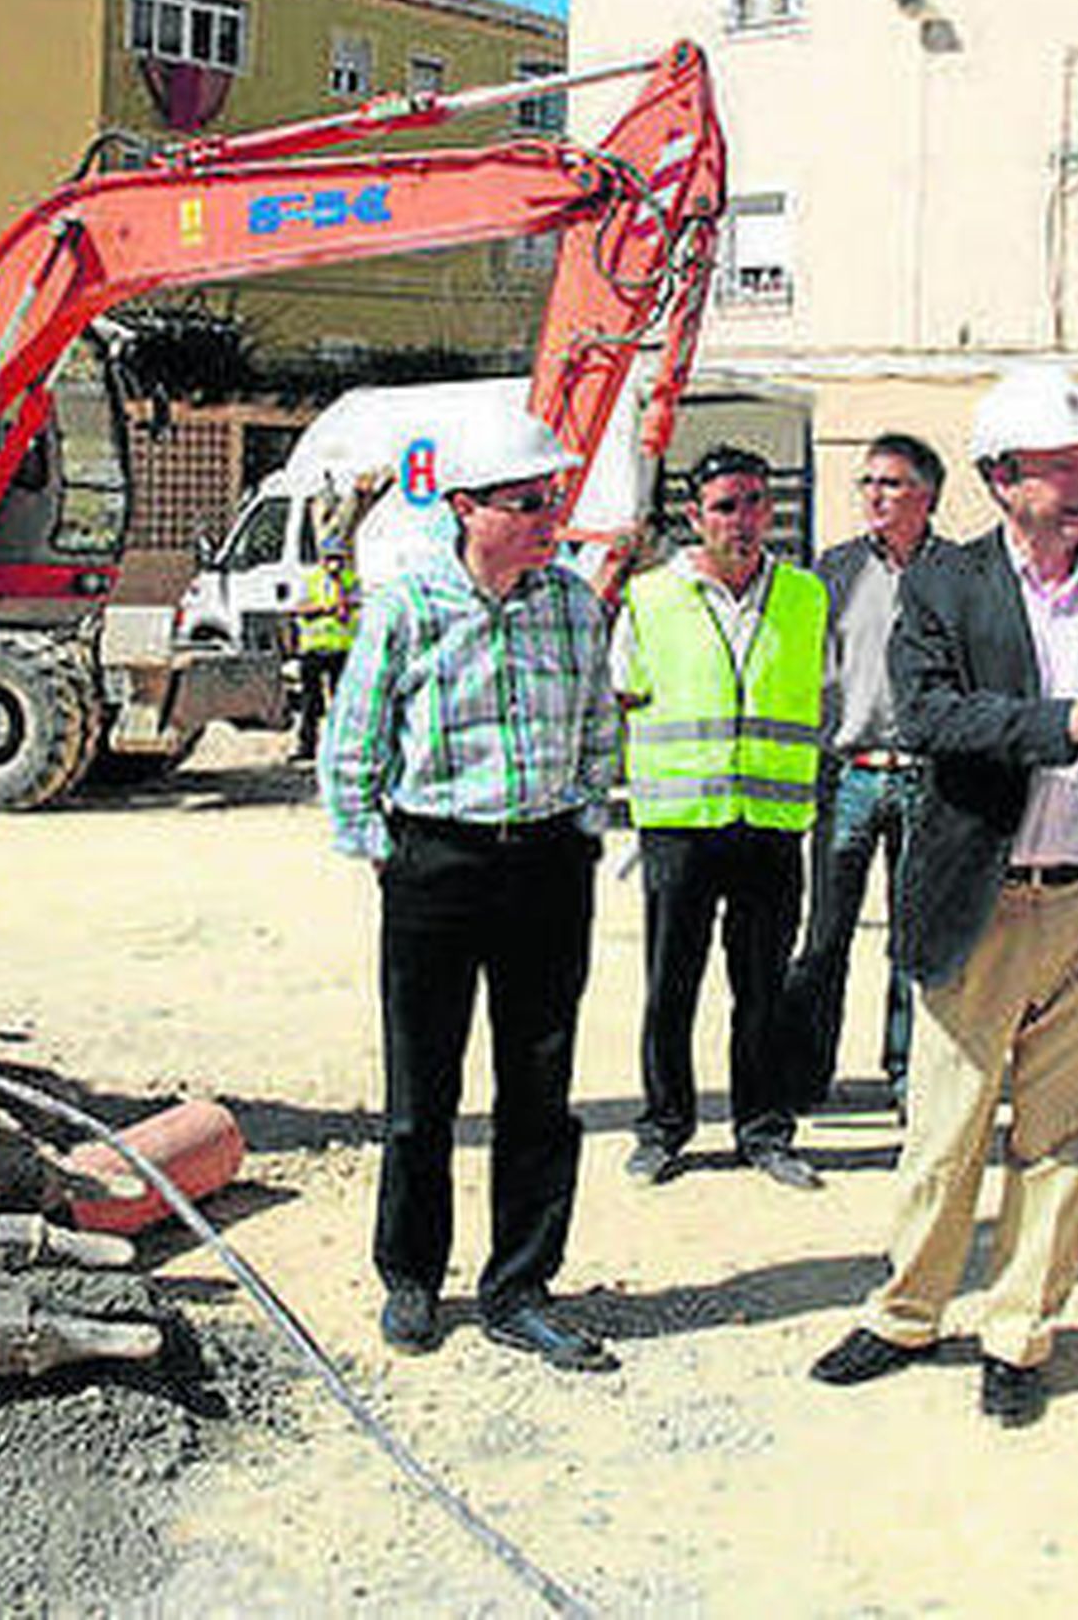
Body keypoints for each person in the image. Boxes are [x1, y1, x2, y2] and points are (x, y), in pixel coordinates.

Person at [810, 361, 1078, 1426]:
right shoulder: (946, 585)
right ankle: (906, 1312)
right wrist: (1056, 722)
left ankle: (1019, 1330)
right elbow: (928, 715)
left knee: (1063, 1138)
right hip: (982, 898)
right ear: (1000, 478)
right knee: (945, 1126)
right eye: (1057, 466)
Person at [319, 406, 620, 1371]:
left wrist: (582, 819)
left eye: (552, 500)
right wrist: (384, 850)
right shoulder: (408, 608)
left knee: (540, 1085)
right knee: (423, 1088)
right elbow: (354, 744)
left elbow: (598, 727)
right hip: (436, 867)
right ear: (465, 507)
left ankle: (519, 1285)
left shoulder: (572, 604)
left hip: (547, 865)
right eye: (527, 502)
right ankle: (412, 1275)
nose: (547, 519)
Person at [613, 445, 829, 1191]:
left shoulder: (805, 595)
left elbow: (825, 691)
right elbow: (620, 694)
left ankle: (764, 1131)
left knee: (764, 988)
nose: (744, 519)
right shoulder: (649, 597)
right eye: (727, 506)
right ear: (694, 516)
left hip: (771, 822)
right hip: (680, 822)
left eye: (756, 502)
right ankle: (663, 1128)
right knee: (671, 986)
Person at [784, 432, 947, 1117]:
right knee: (825, 936)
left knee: (914, 940)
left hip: (925, 778)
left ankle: (908, 1076)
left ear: (927, 495)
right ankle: (803, 1075)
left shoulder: (958, 573)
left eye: (891, 483)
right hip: (848, 775)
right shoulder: (836, 568)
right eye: (868, 482)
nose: (875, 495)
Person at [292, 541, 360, 761]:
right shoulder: (311, 580)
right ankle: (307, 746)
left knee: (342, 702)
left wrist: (340, 588)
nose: (334, 563)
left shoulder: (351, 581)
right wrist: (322, 609)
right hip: (313, 648)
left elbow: (350, 610)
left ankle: (342, 747)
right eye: (330, 558)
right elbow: (300, 608)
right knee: (310, 702)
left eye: (339, 558)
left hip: (341, 649)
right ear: (322, 560)